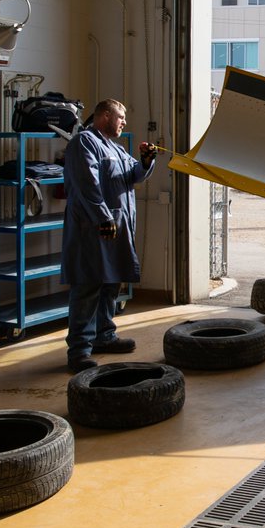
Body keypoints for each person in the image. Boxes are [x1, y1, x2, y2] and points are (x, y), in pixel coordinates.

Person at [62, 99, 158, 373]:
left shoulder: (115, 148)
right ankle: (79, 350)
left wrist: (146, 162)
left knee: (110, 283)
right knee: (88, 284)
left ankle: (104, 336)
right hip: (93, 228)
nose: (124, 122)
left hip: (116, 227)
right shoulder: (84, 143)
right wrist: (102, 217)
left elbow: (133, 176)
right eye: (121, 116)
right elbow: (86, 183)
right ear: (105, 115)